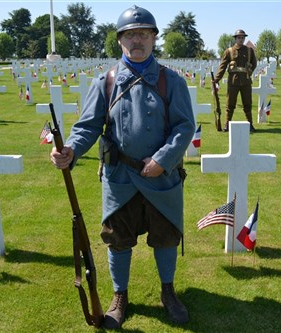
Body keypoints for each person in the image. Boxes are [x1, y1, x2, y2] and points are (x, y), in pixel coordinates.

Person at [50, 5, 195, 329]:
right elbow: (88, 126)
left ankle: (168, 291)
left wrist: (163, 160)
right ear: (120, 41)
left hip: (162, 177)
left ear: (154, 38)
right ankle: (120, 296)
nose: (137, 40)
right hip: (120, 178)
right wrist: (71, 149)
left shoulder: (172, 81)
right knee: (117, 239)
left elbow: (185, 127)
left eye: (143, 33)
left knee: (166, 236)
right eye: (130, 34)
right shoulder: (106, 81)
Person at [213, 29, 257, 132]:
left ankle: (250, 124)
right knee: (230, 104)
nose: (241, 40)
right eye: (239, 38)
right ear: (235, 39)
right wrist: (216, 79)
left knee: (247, 104)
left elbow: (254, 63)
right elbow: (222, 66)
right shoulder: (229, 51)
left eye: (242, 38)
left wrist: (249, 71)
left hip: (246, 81)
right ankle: (227, 124)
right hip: (233, 81)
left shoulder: (249, 51)